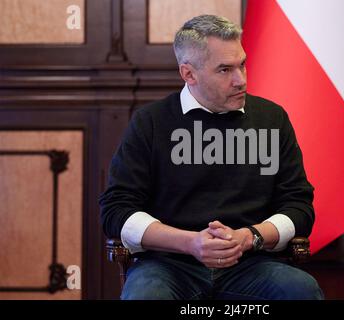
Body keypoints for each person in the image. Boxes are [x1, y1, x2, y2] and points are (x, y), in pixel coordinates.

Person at [99, 14, 323, 300]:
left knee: (302, 291)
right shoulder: (150, 123)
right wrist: (191, 243)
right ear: (189, 74)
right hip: (168, 265)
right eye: (225, 70)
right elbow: (116, 210)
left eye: (242, 64)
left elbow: (299, 206)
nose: (240, 80)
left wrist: (248, 237)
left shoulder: (272, 118)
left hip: (252, 264)